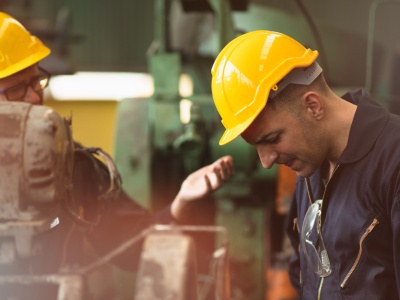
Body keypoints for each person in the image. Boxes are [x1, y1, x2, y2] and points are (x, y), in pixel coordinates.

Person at [0, 10, 234, 284]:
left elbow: (128, 242)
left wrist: (181, 200)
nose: (34, 96)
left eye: (35, 81)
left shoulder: (71, 165)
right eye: (16, 88)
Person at [211, 29, 400, 299]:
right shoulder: (310, 163)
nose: (266, 162)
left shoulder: (393, 162)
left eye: (273, 139)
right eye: (257, 147)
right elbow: (305, 273)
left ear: (312, 106)